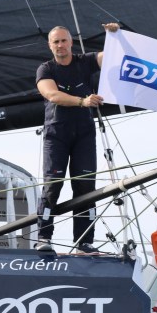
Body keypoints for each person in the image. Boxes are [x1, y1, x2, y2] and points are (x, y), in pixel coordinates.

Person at [34, 23, 120, 252]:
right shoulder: (46, 69)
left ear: (71, 42)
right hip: (56, 134)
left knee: (85, 188)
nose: (60, 45)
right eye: (56, 42)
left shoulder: (85, 61)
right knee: (53, 186)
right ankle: (44, 238)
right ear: (50, 46)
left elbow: (111, 57)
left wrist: (114, 35)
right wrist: (82, 101)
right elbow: (52, 94)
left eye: (64, 41)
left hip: (83, 134)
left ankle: (84, 241)